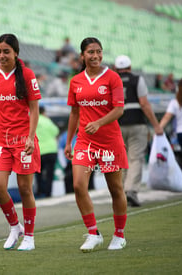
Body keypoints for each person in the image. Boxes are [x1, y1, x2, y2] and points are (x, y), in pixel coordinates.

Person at [64, 37, 128, 252]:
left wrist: (98, 123)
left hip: (110, 142)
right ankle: (93, 233)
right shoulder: (75, 81)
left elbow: (119, 110)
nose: (95, 56)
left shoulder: (113, 78)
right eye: (91, 52)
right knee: (78, 185)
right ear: (82, 56)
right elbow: (74, 112)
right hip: (85, 142)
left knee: (115, 189)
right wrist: (68, 141)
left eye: (99, 52)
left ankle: (119, 235)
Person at [0, 33, 41, 251]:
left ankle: (30, 237)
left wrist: (31, 137)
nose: (1, 55)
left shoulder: (27, 75)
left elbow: (34, 109)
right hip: (1, 141)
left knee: (25, 189)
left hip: (24, 140)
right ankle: (15, 227)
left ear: (16, 53)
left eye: (6, 51)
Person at [114, 55, 163, 207]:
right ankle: (131, 191)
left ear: (116, 69)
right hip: (136, 123)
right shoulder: (137, 80)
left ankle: (120, 192)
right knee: (135, 158)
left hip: (117, 124)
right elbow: (144, 103)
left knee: (120, 160)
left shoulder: (111, 81)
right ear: (130, 67)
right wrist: (156, 125)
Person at [35, 106, 59, 198]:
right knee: (49, 174)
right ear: (44, 112)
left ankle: (39, 192)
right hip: (51, 150)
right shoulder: (47, 120)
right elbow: (56, 131)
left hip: (39, 150)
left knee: (38, 173)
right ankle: (48, 194)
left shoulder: (33, 119)